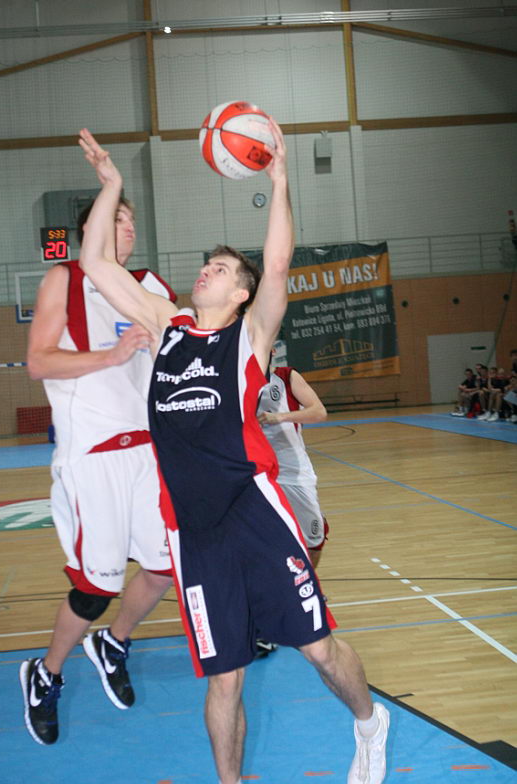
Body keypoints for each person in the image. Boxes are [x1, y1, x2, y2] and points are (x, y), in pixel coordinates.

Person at [78, 124, 389, 784]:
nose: (206, 271)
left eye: (220, 270)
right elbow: (96, 265)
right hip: (192, 530)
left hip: (255, 513)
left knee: (317, 648)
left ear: (240, 293)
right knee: (223, 679)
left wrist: (279, 181)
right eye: (206, 266)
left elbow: (276, 264)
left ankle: (369, 722)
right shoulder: (165, 326)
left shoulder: (249, 338)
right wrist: (110, 186)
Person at [19, 195, 176, 746]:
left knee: (164, 566)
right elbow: (38, 361)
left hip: (149, 452)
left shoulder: (151, 287)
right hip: (93, 456)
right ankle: (46, 674)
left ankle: (114, 642)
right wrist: (109, 357)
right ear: (89, 229)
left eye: (131, 219)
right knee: (93, 589)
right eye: (116, 217)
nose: (127, 227)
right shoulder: (63, 279)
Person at [258, 361, 328, 569]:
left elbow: (319, 412)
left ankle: (307, 583)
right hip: (255, 470)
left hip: (292, 470)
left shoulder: (286, 376)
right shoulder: (233, 379)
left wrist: (281, 417)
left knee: (314, 539)